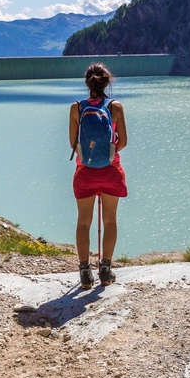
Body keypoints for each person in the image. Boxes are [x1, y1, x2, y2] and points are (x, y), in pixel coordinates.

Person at [68, 62, 127, 289]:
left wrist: (90, 157)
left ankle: (84, 272)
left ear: (87, 83)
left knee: (83, 221)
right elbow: (123, 141)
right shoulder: (116, 107)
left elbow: (73, 143)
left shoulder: (77, 108)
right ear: (107, 82)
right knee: (110, 219)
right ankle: (105, 270)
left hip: (85, 172)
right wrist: (108, 154)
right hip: (111, 170)